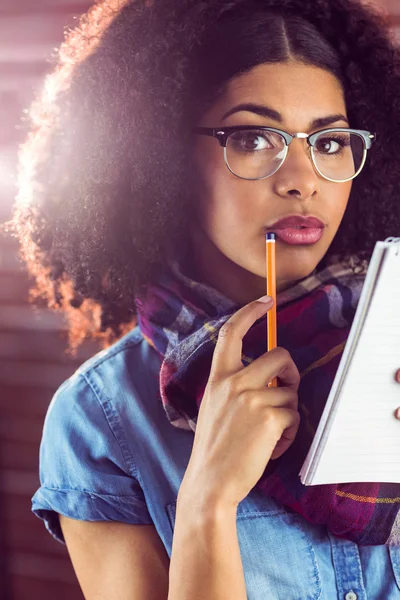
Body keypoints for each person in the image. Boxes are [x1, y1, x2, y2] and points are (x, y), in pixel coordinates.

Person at [5, 0, 400, 598]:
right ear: (162, 158)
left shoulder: (388, 351)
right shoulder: (100, 421)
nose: (302, 177)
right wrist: (208, 499)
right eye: (252, 138)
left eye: (330, 141)